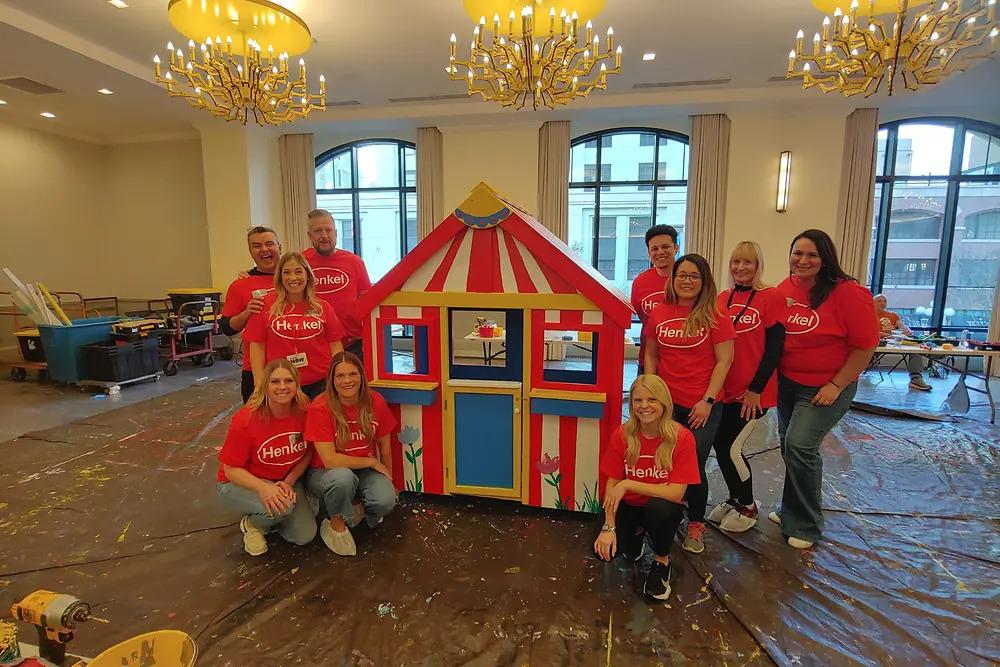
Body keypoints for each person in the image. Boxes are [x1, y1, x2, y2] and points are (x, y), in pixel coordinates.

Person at [771, 229, 879, 549]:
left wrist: (836, 384)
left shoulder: (848, 293)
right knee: (789, 446)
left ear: (825, 259)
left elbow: (865, 345)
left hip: (826, 386)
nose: (803, 260)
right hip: (788, 383)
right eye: (798, 253)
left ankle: (805, 524)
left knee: (801, 445)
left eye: (812, 255)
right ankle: (791, 509)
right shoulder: (785, 287)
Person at [643, 253, 734, 554]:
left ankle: (696, 522)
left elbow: (724, 361)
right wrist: (653, 393)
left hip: (701, 406)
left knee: (692, 464)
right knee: (661, 460)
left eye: (694, 275)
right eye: (682, 274)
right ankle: (663, 516)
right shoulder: (660, 311)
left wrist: (707, 400)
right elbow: (652, 354)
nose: (687, 280)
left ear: (704, 280)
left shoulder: (715, 313)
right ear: (673, 278)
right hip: (667, 404)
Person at [594, 375, 700, 602]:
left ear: (664, 403)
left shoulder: (682, 438)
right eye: (637, 400)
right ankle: (636, 539)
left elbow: (676, 493)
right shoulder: (622, 434)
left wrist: (629, 483)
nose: (644, 406)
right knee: (608, 553)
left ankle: (662, 561)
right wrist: (608, 527)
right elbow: (611, 484)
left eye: (652, 399)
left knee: (660, 509)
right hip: (629, 505)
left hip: (661, 507)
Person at [708, 241, 785, 533]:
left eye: (748, 262)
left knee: (731, 448)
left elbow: (774, 349)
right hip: (725, 392)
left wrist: (755, 389)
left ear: (758, 265)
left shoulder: (771, 297)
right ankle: (735, 498)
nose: (740, 268)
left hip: (753, 394)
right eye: (736, 262)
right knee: (720, 445)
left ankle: (749, 505)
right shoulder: (722, 298)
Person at [217, 359, 317, 556]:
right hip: (241, 482)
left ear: (297, 385)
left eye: (288, 381)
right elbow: (230, 470)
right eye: (275, 382)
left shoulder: (305, 412)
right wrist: (264, 488)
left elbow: (307, 453)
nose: (282, 387)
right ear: (265, 386)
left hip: (283, 480)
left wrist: (289, 481)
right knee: (284, 508)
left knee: (305, 536)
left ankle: (270, 519)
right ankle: (253, 524)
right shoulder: (246, 419)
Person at [304, 352, 397, 556]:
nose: (347, 380)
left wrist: (390, 480)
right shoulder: (320, 407)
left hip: (363, 470)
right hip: (326, 473)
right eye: (340, 376)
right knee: (342, 478)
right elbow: (329, 460)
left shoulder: (375, 401)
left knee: (386, 500)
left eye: (353, 374)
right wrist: (372, 462)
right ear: (332, 379)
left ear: (361, 376)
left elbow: (385, 446)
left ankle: (356, 510)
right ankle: (335, 521)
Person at [246, 252, 345, 399]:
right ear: (280, 277)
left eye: (298, 271)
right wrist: (259, 384)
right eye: (286, 272)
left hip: (321, 382)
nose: (293, 278)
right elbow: (257, 346)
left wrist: (338, 377)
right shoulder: (265, 306)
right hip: (282, 384)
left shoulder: (323, 307)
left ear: (308, 275)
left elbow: (335, 345)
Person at [220, 226, 282, 403]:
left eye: (270, 244)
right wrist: (247, 313)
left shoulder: (293, 280)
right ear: (250, 252)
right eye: (257, 246)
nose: (264, 249)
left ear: (280, 247)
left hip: (292, 366)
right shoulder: (240, 285)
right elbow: (227, 328)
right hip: (256, 369)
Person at [303, 209, 373, 361]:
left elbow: (368, 299)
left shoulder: (354, 262)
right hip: (314, 343)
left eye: (328, 230)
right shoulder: (300, 262)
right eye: (318, 231)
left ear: (336, 232)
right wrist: (250, 273)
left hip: (353, 343)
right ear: (309, 235)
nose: (324, 236)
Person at [630, 225, 680, 374]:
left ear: (676, 248)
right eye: (654, 249)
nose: (660, 252)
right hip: (647, 358)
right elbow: (641, 315)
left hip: (681, 362)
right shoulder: (640, 281)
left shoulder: (687, 279)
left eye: (666, 247)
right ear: (648, 252)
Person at [874, 293, 930, 391]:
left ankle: (916, 379)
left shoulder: (893, 315)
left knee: (915, 350)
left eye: (885, 301)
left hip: (896, 341)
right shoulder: (868, 314)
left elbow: (901, 326)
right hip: (879, 341)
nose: (883, 303)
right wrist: (889, 336)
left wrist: (906, 330)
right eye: (879, 301)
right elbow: (870, 332)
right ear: (873, 302)